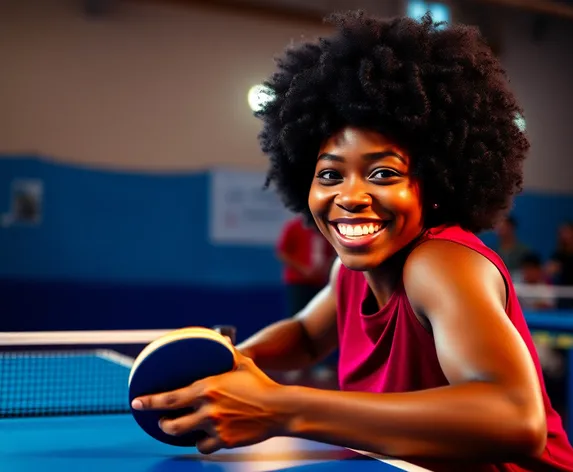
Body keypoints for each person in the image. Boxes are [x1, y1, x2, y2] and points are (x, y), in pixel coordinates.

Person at [131, 11, 573, 470]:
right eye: (330, 174)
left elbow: (517, 419)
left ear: (436, 186)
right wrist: (238, 359)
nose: (350, 196)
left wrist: (280, 407)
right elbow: (304, 335)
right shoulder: (350, 272)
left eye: (383, 173)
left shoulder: (439, 263)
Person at [276, 215, 335, 317]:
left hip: (321, 281)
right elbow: (282, 253)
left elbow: (332, 252)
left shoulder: (325, 227)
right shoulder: (294, 226)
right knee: (298, 315)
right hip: (298, 282)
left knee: (320, 316)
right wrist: (303, 270)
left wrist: (326, 268)